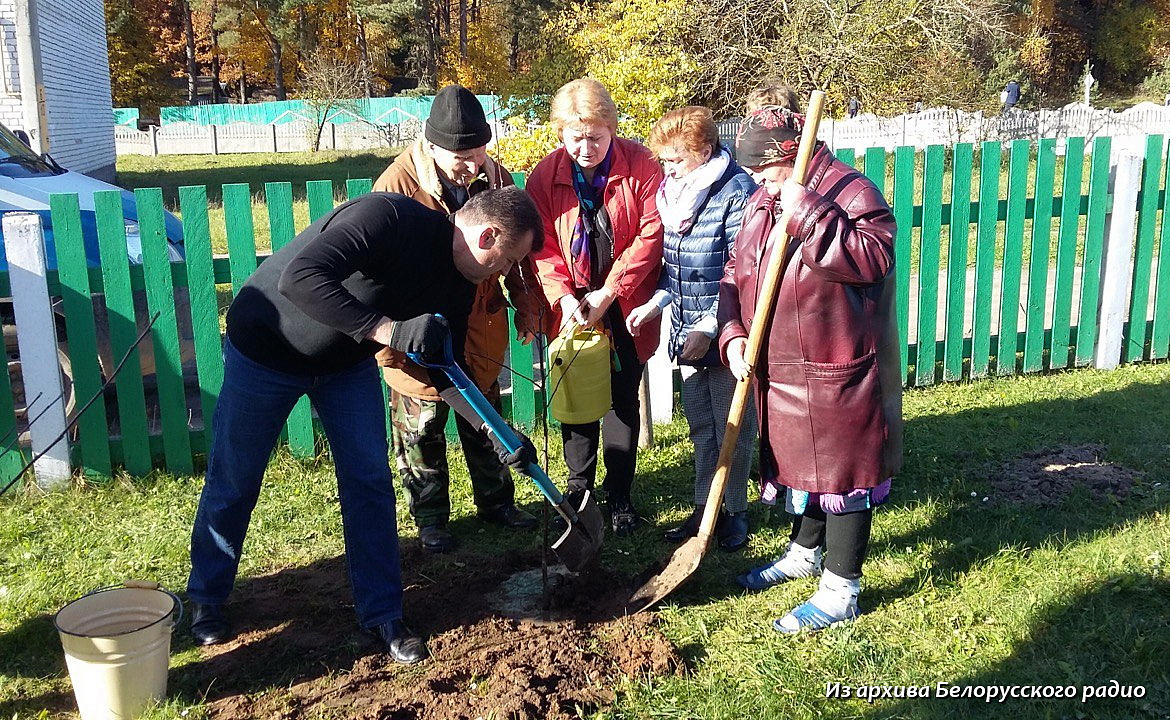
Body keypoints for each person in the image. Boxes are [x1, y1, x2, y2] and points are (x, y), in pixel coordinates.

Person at [185, 186, 544, 664]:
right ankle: (207, 596)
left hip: (344, 366)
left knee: (369, 483)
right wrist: (389, 331)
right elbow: (300, 277)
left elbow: (446, 369)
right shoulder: (387, 217)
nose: (504, 272)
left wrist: (494, 431)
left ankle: (383, 614)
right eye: (508, 260)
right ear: (488, 236)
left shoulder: (460, 285)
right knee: (236, 476)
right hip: (266, 351)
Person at [721, 105, 903, 633]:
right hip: (782, 367)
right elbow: (736, 270)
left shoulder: (852, 192)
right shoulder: (764, 197)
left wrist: (809, 214)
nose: (757, 181)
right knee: (805, 467)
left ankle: (841, 590)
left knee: (843, 475)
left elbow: (873, 259)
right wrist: (732, 333)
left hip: (836, 365)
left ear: (790, 154)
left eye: (763, 170)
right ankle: (805, 551)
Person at [373, 84, 541, 553]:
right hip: (419, 330)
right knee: (422, 429)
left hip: (480, 326)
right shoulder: (396, 187)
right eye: (461, 157)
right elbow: (381, 274)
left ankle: (497, 502)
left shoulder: (497, 178)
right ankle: (430, 518)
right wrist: (393, 337)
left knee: (485, 418)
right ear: (431, 146)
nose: (472, 166)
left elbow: (518, 253)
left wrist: (526, 303)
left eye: (478, 153)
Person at [527, 78, 664, 536]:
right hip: (571, 304)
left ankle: (620, 493)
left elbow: (651, 234)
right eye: (576, 138)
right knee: (577, 397)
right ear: (560, 134)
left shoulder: (642, 164)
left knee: (623, 398)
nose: (586, 149)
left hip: (626, 301)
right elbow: (541, 245)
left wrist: (610, 292)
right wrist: (564, 297)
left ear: (612, 129)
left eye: (596, 137)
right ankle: (578, 492)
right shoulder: (544, 177)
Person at [627, 106, 758, 551]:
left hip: (727, 332)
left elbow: (741, 271)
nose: (667, 168)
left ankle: (734, 511)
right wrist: (654, 305)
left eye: (677, 159)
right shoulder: (672, 195)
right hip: (686, 333)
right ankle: (705, 507)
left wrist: (710, 326)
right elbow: (674, 269)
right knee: (702, 425)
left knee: (732, 426)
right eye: (663, 159)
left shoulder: (736, 192)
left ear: (704, 150)